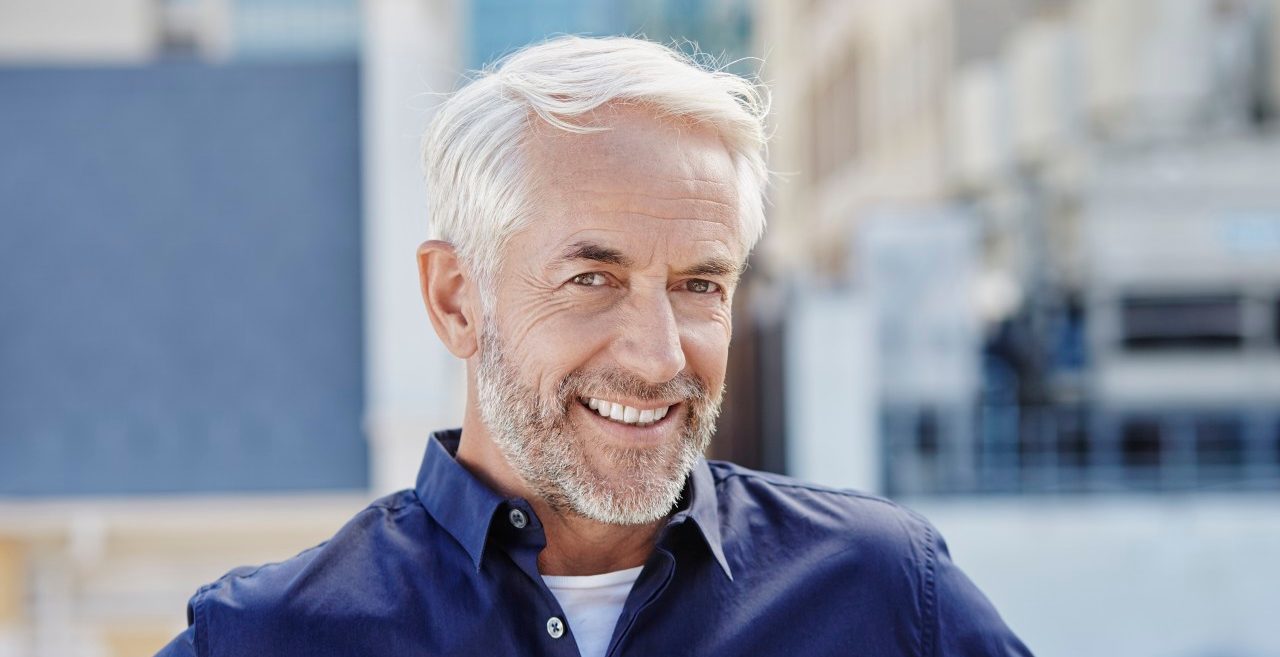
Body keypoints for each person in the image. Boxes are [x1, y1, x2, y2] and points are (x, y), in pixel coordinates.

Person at [155, 35, 1032, 657]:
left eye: (699, 284)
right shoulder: (267, 638)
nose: (659, 358)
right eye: (592, 279)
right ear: (457, 299)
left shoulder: (885, 597)